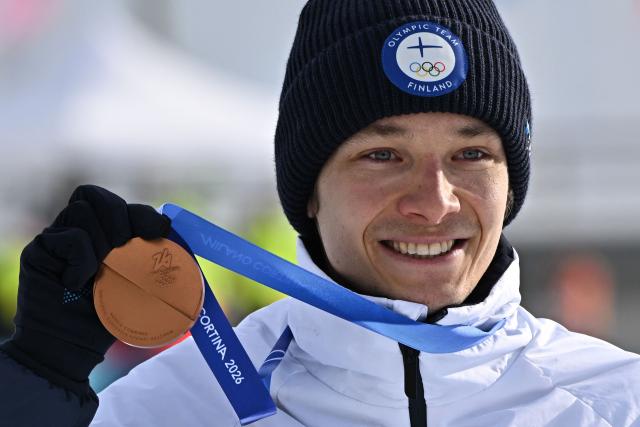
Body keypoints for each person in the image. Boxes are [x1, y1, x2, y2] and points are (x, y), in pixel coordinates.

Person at [1, 0, 639, 426]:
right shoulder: (171, 408)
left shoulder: (614, 401)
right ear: (308, 187)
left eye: (471, 153)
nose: (434, 201)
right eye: (383, 154)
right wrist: (34, 389)